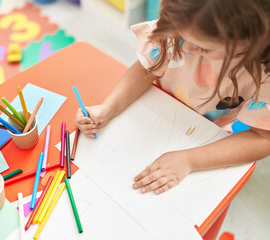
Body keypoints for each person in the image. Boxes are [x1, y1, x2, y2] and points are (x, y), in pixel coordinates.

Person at [75, 0, 270, 194]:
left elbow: (263, 139)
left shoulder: (264, 74)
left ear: (250, 41)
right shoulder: (185, 21)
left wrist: (189, 160)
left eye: (204, 48)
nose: (185, 49)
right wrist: (108, 108)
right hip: (154, 114)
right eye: (182, 37)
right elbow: (147, 69)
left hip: (208, 137)